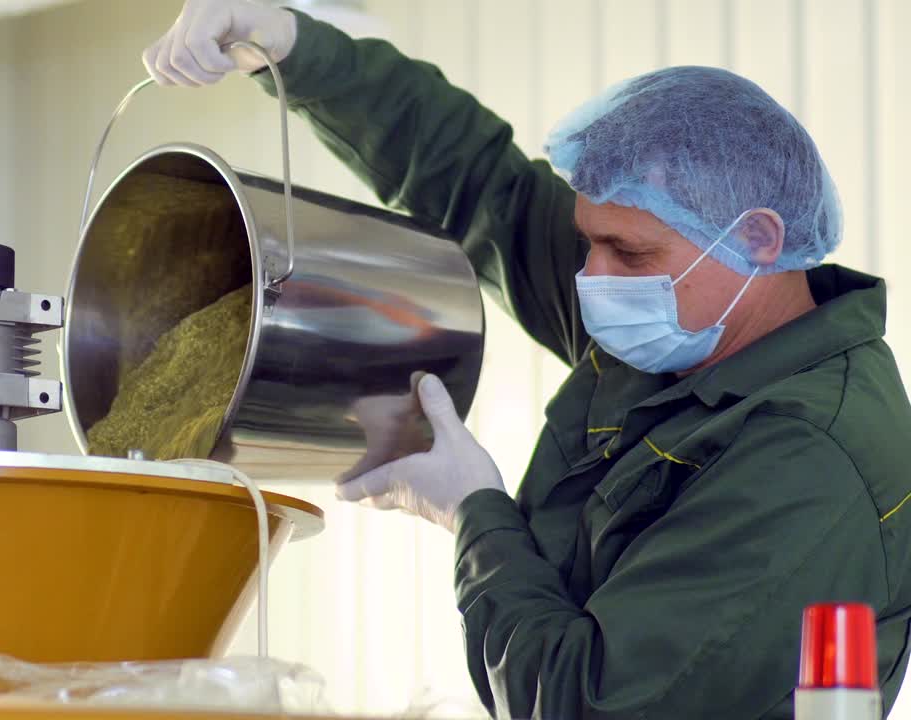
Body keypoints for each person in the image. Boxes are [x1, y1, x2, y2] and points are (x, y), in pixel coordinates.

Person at [145, 2, 911, 718]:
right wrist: (291, 44)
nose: (592, 279)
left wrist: (474, 514)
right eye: (588, 241)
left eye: (629, 252)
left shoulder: (809, 460)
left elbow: (582, 696)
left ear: (760, 239)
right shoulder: (692, 324)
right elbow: (480, 184)